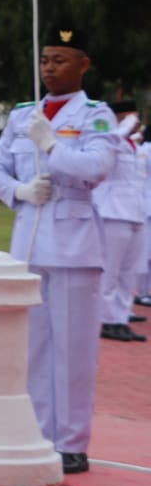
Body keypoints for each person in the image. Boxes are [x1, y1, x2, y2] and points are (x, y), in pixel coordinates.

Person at [0, 28, 118, 476]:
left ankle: (71, 442)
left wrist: (52, 146)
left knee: (73, 350)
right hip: (30, 236)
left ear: (83, 64)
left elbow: (97, 167)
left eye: (60, 59)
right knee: (34, 348)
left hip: (75, 244)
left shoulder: (96, 115)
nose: (49, 68)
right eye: (45, 59)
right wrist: (18, 191)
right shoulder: (24, 113)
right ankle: (39, 434)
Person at [93, 101, 145, 343]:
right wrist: (122, 128)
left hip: (136, 211)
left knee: (128, 272)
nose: (136, 121)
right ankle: (107, 320)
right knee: (110, 270)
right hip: (113, 211)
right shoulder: (110, 139)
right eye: (130, 116)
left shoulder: (135, 146)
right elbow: (105, 150)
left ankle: (121, 319)